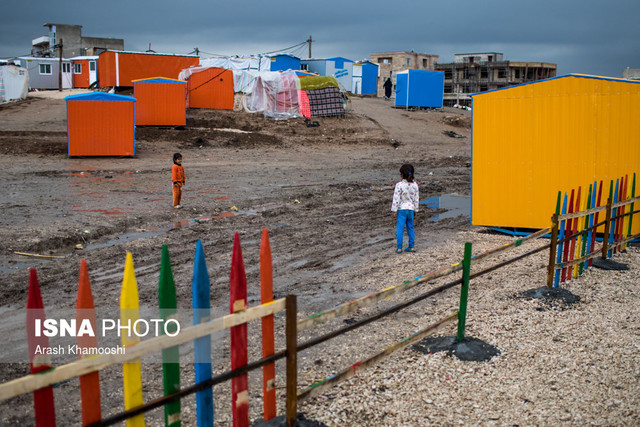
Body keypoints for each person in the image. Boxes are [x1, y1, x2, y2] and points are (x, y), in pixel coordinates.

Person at [391, 164, 419, 253]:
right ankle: (411, 247)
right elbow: (416, 198)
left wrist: (394, 210)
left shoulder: (399, 185)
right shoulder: (415, 185)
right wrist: (416, 209)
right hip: (411, 209)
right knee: (410, 228)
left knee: (400, 228)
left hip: (401, 209)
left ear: (402, 174)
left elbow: (396, 198)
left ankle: (399, 248)